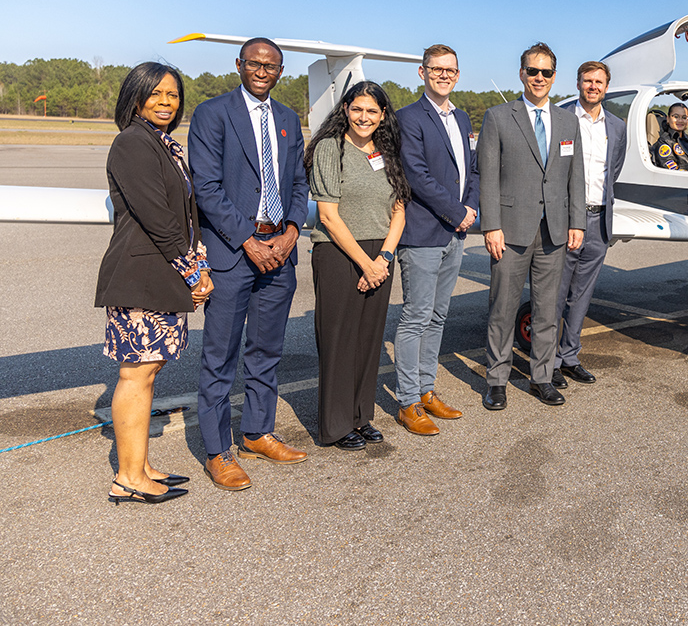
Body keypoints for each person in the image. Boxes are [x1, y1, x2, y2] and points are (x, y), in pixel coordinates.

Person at [189, 37, 310, 491]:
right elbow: (207, 186)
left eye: (271, 65)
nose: (262, 71)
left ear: (281, 71)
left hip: (280, 248)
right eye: (255, 63)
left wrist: (293, 230)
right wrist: (246, 238)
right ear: (239, 65)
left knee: (266, 350)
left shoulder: (287, 119)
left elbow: (298, 181)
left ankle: (258, 431)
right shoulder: (212, 113)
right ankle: (220, 452)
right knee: (220, 356)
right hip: (233, 252)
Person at [95, 63, 212, 504]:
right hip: (140, 275)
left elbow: (184, 216)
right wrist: (194, 271)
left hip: (162, 272)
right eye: (156, 93)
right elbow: (159, 219)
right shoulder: (131, 143)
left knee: (149, 371)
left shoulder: (162, 143)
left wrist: (194, 263)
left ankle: (140, 465)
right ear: (136, 96)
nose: (166, 101)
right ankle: (128, 477)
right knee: (136, 373)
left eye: (173, 94)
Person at [477, 42, 586, 410]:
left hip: (554, 230)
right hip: (510, 230)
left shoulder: (569, 120)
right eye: (533, 71)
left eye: (547, 72)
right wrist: (491, 225)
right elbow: (487, 178)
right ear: (522, 74)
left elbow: (576, 178)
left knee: (546, 309)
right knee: (503, 308)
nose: (540, 78)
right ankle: (497, 379)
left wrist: (578, 222)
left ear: (555, 77)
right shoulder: (498, 117)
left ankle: (541, 377)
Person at [305, 82, 409, 450]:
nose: (364, 117)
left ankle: (361, 416)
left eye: (372, 111)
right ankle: (335, 424)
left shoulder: (386, 153)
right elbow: (328, 217)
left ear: (382, 116)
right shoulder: (330, 149)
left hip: (380, 255)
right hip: (338, 252)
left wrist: (383, 258)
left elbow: (399, 210)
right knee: (339, 340)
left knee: (368, 339)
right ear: (346, 109)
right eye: (358, 109)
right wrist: (367, 264)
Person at [392, 44, 478, 436]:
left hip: (455, 232)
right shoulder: (408, 118)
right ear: (423, 72)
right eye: (437, 69)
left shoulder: (460, 117)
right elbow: (416, 174)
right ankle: (408, 401)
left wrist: (471, 207)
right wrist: (457, 212)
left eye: (451, 70)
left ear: (458, 75)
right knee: (416, 316)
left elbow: (471, 171)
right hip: (425, 232)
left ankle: (427, 390)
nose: (444, 75)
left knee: (439, 315)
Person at [552, 61, 627, 389]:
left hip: (599, 220)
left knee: (581, 294)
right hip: (568, 219)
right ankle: (548, 361)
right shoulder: (562, 118)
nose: (593, 86)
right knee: (555, 294)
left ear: (606, 86)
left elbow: (615, 169)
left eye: (599, 81)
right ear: (579, 83)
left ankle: (570, 356)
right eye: (587, 81)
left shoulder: (617, 126)